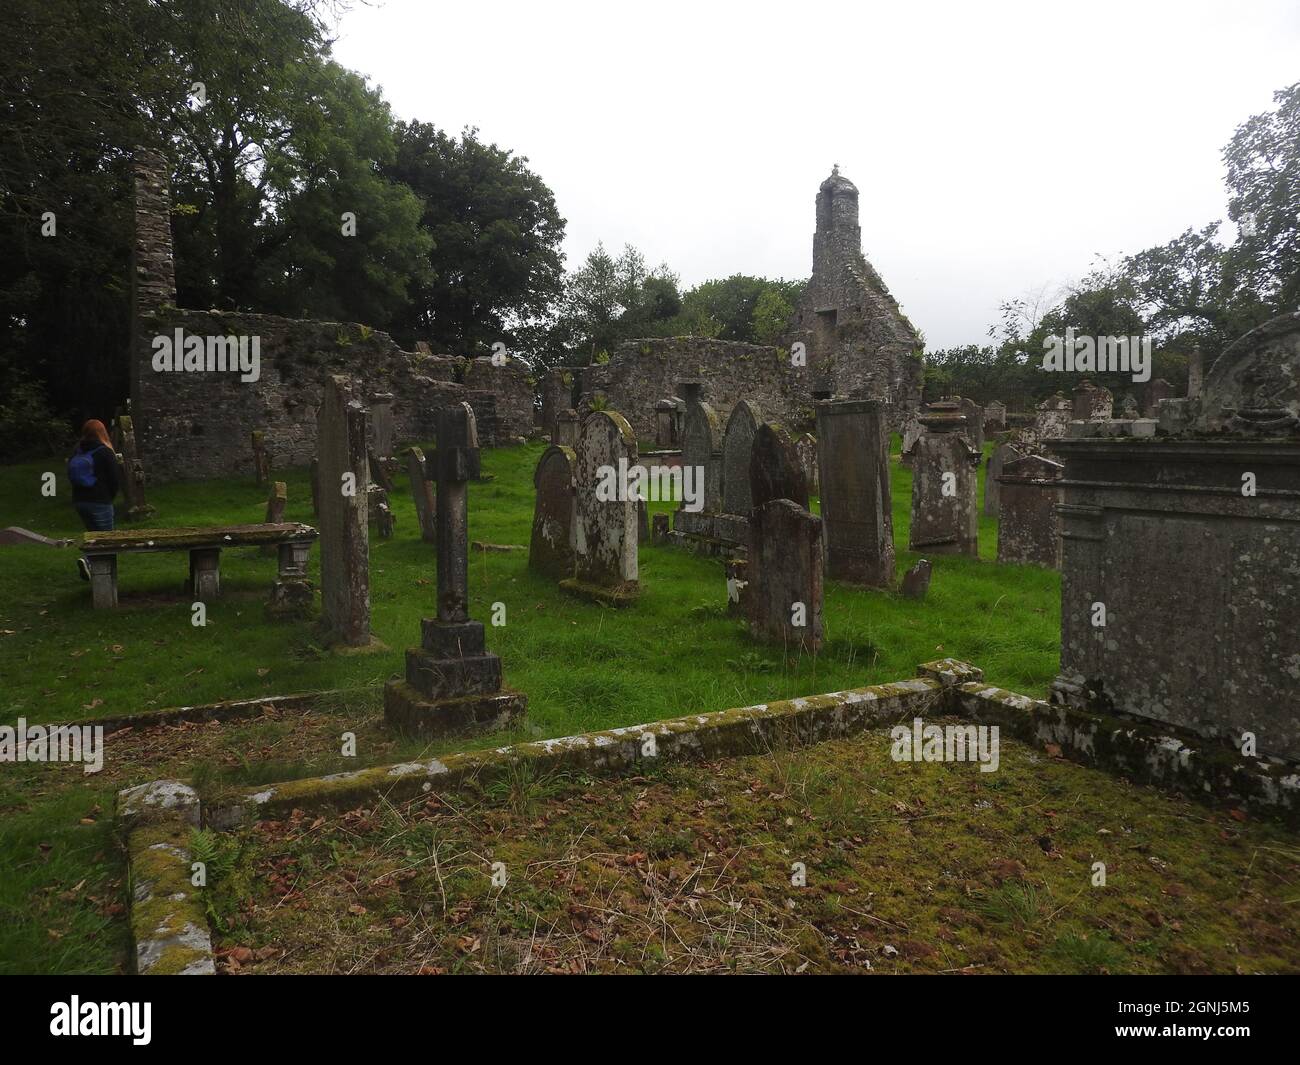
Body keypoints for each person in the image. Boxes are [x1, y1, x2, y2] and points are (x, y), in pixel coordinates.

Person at [68, 420, 120, 580]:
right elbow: (114, 480)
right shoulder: (105, 452)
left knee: (94, 536)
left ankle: (92, 569)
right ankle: (101, 575)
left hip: (80, 502)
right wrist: (109, 497)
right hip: (100, 501)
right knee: (107, 541)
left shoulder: (77, 450)